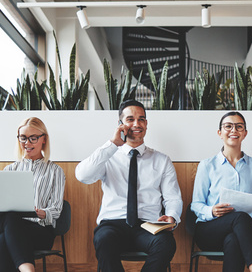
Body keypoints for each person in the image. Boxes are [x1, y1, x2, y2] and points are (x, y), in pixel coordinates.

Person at [75, 99, 183, 272]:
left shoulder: (161, 160)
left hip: (148, 225)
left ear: (146, 124)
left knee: (166, 242)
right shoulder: (108, 155)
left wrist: (172, 216)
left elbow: (173, 197)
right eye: (130, 119)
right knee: (103, 239)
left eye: (141, 119)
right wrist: (112, 144)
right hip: (113, 224)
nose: (136, 124)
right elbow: (82, 175)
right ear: (120, 124)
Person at [191, 111, 252, 272]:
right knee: (239, 219)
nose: (234, 130)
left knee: (234, 237)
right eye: (228, 126)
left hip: (243, 231)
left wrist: (248, 219)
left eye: (239, 127)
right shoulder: (207, 165)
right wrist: (211, 210)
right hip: (210, 229)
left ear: (245, 133)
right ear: (220, 133)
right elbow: (196, 204)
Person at [0, 117, 66, 272]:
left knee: (3, 240)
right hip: (9, 226)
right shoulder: (9, 170)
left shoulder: (55, 171)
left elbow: (57, 209)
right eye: (23, 138)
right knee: (11, 217)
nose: (27, 143)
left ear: (44, 139)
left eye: (33, 138)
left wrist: (42, 213)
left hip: (38, 231)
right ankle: (27, 269)